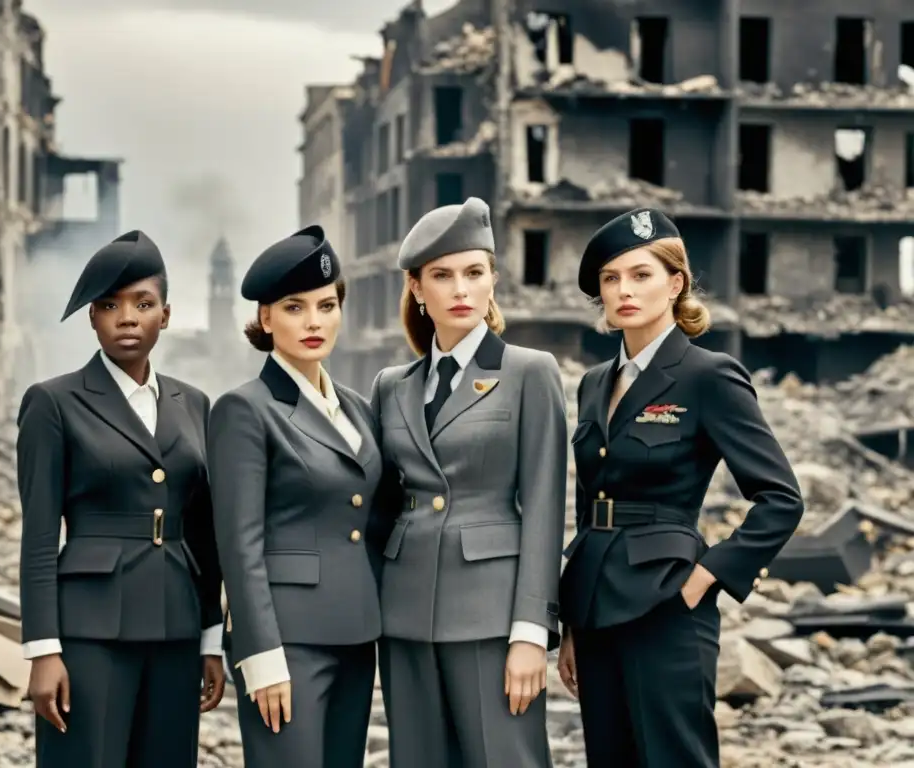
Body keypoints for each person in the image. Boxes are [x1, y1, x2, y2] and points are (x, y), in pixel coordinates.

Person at [556, 208, 805, 766]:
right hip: (595, 609)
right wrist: (572, 622)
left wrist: (708, 576)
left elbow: (782, 497)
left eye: (641, 275)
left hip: (668, 604)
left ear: (675, 284)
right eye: (611, 279)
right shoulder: (595, 383)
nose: (624, 290)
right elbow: (590, 506)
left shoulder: (707, 375)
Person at [368, 197, 567, 768]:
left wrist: (532, 630)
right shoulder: (392, 385)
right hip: (404, 613)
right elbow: (382, 509)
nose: (460, 288)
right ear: (416, 287)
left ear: (492, 282)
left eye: (474, 273)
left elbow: (546, 506)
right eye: (442, 275)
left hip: (492, 614)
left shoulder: (530, 371)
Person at [16, 230, 226, 768]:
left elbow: (204, 535)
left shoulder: (193, 404)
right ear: (92, 318)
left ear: (167, 315)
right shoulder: (53, 403)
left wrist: (210, 640)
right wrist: (44, 649)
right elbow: (39, 536)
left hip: (176, 628)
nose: (127, 318)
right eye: (109, 305)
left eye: (143, 303)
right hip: (89, 631)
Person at [209, 225, 383, 768]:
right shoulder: (245, 409)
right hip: (287, 642)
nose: (314, 322)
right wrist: (260, 655)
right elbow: (239, 543)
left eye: (327, 306)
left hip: (356, 637)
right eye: (293, 307)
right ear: (265, 319)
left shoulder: (356, 407)